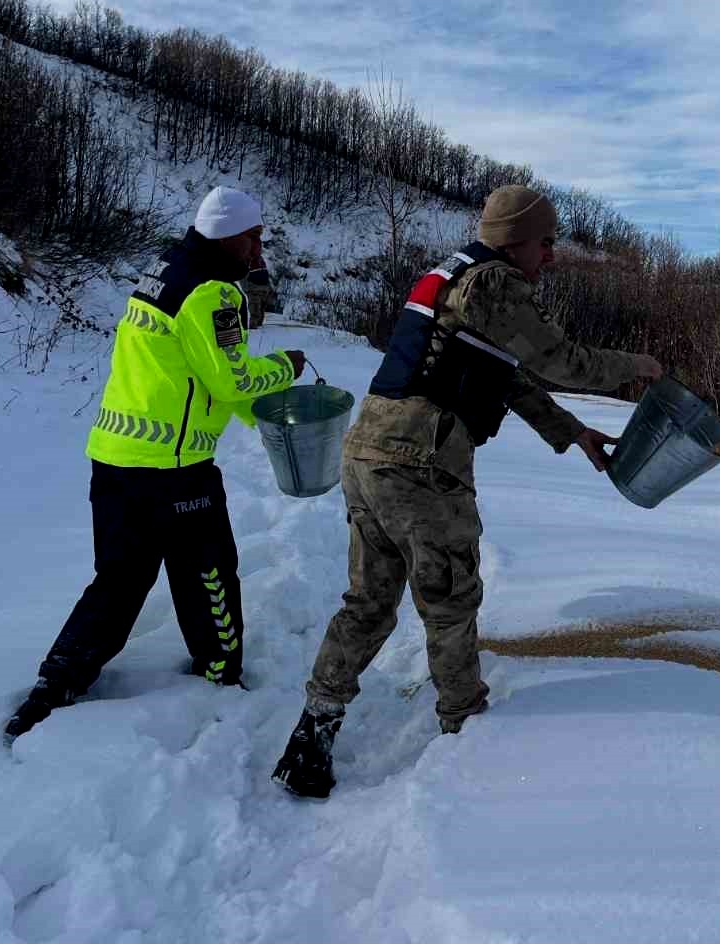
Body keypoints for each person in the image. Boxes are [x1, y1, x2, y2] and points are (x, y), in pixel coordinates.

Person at [271, 184, 662, 798]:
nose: (551, 257)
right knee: (450, 598)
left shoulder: (453, 279)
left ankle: (313, 731)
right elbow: (562, 361)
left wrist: (573, 432)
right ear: (515, 242)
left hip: (370, 450)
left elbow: (508, 379)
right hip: (423, 461)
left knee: (370, 601)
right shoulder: (496, 284)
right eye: (546, 243)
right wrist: (635, 366)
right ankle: (467, 736)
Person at [4, 186, 303, 740]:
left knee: (117, 580)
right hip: (176, 468)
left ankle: (55, 684)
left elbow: (194, 371)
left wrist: (257, 419)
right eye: (254, 238)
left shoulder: (162, 271)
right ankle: (220, 671)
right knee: (208, 570)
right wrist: (285, 367)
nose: (258, 249)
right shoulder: (211, 294)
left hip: (114, 458)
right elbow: (231, 377)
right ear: (229, 235)